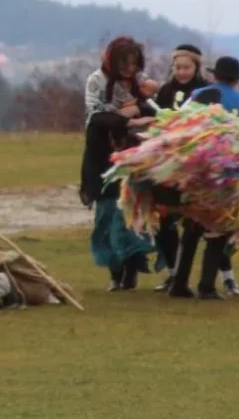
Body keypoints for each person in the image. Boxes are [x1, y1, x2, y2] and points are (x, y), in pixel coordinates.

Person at [175, 56, 239, 299]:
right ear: (236, 80)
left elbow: (177, 126)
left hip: (193, 172)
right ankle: (207, 286)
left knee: (191, 228)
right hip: (224, 175)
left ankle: (179, 283)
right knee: (216, 230)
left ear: (214, 76)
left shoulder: (195, 96)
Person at [80, 36, 157, 292]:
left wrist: (139, 110)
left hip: (133, 157)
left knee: (128, 215)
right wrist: (126, 118)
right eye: (124, 62)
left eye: (134, 63)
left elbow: (153, 112)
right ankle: (115, 273)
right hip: (101, 159)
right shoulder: (96, 81)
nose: (129, 68)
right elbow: (96, 116)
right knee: (106, 216)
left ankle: (131, 271)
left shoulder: (138, 85)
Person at [150, 43, 208, 292]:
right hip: (167, 163)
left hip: (195, 164)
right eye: (178, 67)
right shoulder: (165, 91)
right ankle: (173, 272)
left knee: (196, 222)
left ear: (196, 67)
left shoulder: (205, 91)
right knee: (164, 218)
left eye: (187, 67)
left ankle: (212, 276)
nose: (182, 72)